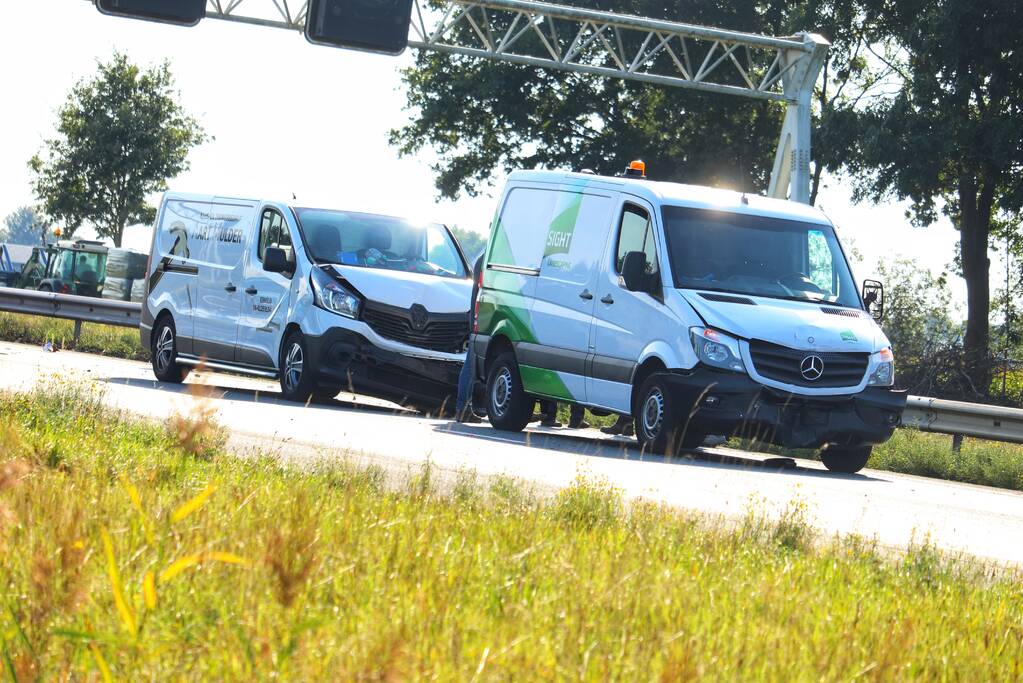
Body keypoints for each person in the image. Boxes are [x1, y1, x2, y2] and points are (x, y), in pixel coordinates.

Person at [455, 252, 486, 423]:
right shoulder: (486, 259)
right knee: (470, 367)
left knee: (470, 366)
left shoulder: (483, 257)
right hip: (480, 318)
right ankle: (462, 408)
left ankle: (463, 408)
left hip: (477, 317)